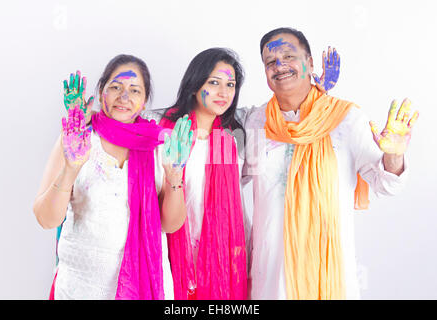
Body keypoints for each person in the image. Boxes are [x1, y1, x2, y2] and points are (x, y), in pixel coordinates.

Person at [243, 27, 419, 300]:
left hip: (331, 278)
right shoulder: (255, 123)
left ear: (310, 63)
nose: (280, 66)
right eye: (270, 62)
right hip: (270, 280)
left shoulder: (345, 119)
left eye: (289, 56)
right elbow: (230, 172)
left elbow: (386, 185)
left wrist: (394, 154)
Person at [33, 54, 193, 300]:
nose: (124, 97)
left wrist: (174, 176)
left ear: (145, 99)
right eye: (115, 87)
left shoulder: (160, 146)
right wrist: (70, 169)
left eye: (135, 90)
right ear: (100, 92)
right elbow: (45, 219)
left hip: (144, 287)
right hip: (80, 288)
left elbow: (170, 225)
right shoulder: (77, 139)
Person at [141, 48, 249, 299]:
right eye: (214, 82)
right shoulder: (164, 132)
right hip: (169, 253)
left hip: (220, 258)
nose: (224, 92)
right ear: (194, 85)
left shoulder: (233, 140)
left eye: (230, 85)